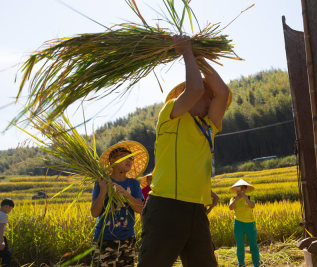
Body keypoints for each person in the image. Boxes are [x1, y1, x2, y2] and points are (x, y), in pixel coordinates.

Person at [138, 35, 231, 267]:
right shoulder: (171, 116)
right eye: (207, 97)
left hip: (195, 210)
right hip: (165, 207)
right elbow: (196, 88)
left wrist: (199, 56)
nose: (211, 101)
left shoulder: (209, 126)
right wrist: (187, 52)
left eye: (211, 98)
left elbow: (223, 91)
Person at [91, 141, 149, 266]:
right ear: (112, 161)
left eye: (131, 158)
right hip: (104, 240)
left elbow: (140, 209)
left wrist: (124, 193)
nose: (129, 160)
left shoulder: (133, 184)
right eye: (123, 156)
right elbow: (94, 213)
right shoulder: (102, 182)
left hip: (127, 240)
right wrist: (103, 191)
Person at [229, 179, 260, 267]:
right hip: (238, 224)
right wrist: (237, 199)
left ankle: (256, 264)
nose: (241, 190)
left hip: (250, 224)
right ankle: (241, 264)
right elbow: (231, 208)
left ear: (245, 190)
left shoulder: (250, 197)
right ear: (236, 190)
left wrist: (245, 197)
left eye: (243, 188)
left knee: (253, 245)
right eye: (240, 188)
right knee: (240, 246)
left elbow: (252, 206)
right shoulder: (233, 199)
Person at [0, 198, 14, 267]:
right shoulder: (4, 215)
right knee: (7, 256)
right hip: (1, 237)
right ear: (6, 206)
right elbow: (1, 228)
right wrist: (1, 241)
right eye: (10, 209)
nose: (10, 211)